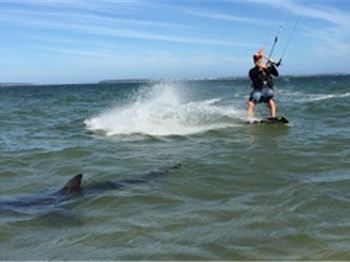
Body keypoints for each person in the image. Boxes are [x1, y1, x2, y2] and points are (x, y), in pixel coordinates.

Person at [247, 48, 280, 122]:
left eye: (259, 58)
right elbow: (255, 72)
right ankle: (249, 119)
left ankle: (273, 117)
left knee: (271, 102)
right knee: (250, 103)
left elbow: (276, 74)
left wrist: (271, 64)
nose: (257, 60)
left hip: (268, 90)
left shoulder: (267, 69)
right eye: (256, 59)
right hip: (257, 92)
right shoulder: (252, 71)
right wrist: (260, 59)